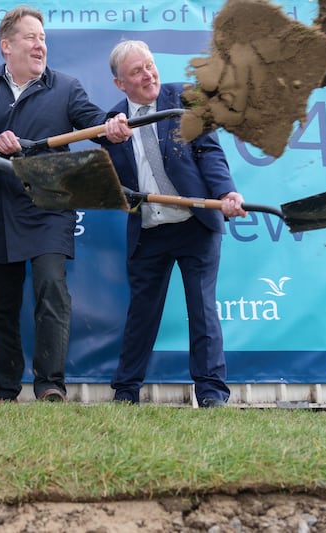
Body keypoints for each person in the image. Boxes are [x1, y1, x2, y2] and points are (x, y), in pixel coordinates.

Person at [0, 5, 130, 404]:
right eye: (31, 37)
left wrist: (112, 126)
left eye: (43, 38)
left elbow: (95, 122)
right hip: (0, 210)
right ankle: (5, 390)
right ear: (6, 45)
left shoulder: (66, 87)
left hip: (50, 207)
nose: (40, 44)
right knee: (1, 303)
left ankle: (50, 385)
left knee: (51, 289)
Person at [102, 40, 247, 408]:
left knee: (202, 308)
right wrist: (109, 141)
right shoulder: (113, 124)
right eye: (137, 71)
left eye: (149, 65)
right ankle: (126, 391)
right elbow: (111, 183)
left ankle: (212, 393)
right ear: (120, 83)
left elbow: (210, 152)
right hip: (148, 230)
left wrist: (226, 192)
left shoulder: (184, 100)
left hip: (194, 223)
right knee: (142, 314)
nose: (148, 74)